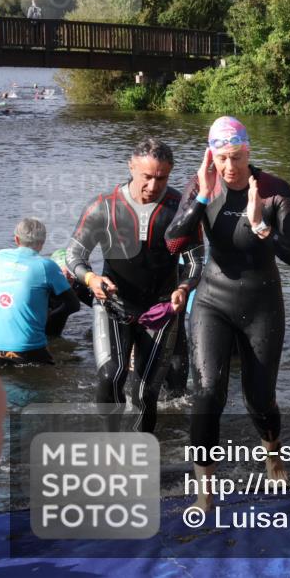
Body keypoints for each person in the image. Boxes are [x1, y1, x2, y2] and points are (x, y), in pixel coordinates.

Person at [167, 116, 290, 510]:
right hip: (212, 300)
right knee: (207, 393)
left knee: (259, 399)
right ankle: (205, 492)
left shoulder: (275, 191)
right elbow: (173, 243)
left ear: (248, 151)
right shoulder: (203, 185)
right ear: (212, 155)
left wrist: (262, 228)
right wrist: (199, 199)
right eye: (222, 158)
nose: (230, 167)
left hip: (262, 302)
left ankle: (272, 452)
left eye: (238, 156)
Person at [67, 138, 203, 433]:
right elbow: (74, 254)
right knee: (110, 375)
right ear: (131, 167)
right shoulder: (103, 207)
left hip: (161, 310)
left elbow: (195, 262)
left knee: (145, 393)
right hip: (113, 306)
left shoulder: (181, 210)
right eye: (147, 177)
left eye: (161, 178)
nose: (153, 186)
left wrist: (184, 289)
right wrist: (91, 278)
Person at [0, 219, 81, 366]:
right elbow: (74, 305)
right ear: (42, 242)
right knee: (72, 365)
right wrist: (48, 319)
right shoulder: (46, 266)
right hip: (28, 351)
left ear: (16, 239)